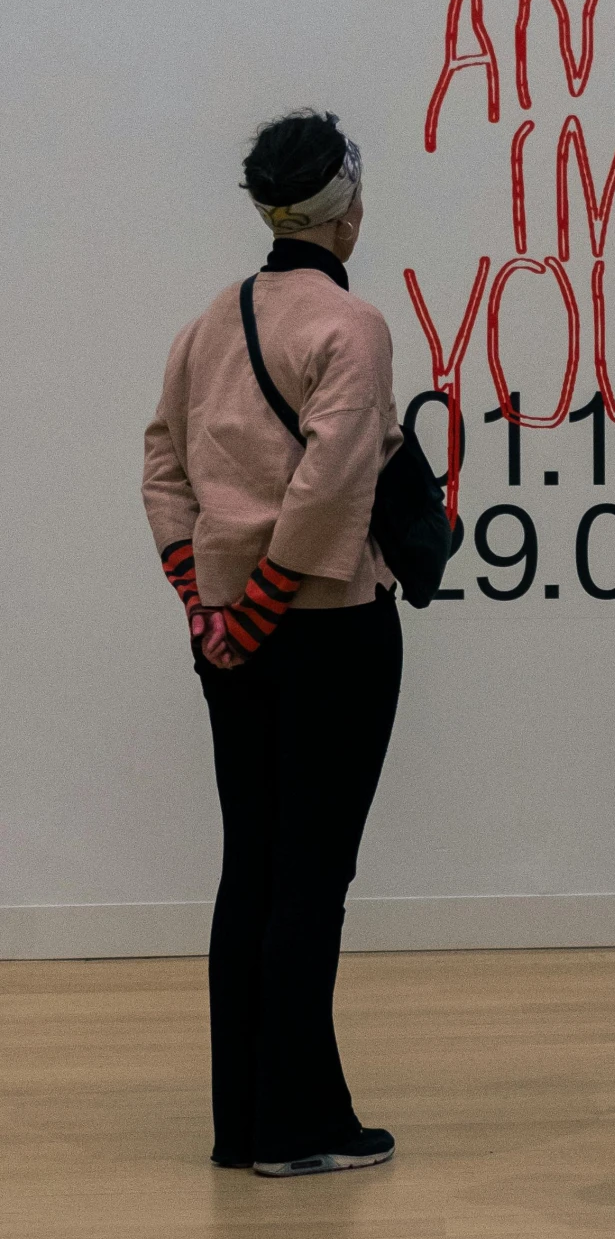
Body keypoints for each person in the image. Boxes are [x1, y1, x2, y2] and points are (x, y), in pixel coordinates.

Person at [142, 110, 403, 1178]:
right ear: (344, 213)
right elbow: (329, 482)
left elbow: (161, 466)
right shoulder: (353, 326)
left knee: (250, 861)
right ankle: (296, 1127)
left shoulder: (211, 321)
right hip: (330, 630)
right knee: (312, 873)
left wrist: (208, 604)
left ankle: (248, 1120)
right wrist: (260, 605)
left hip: (229, 645)